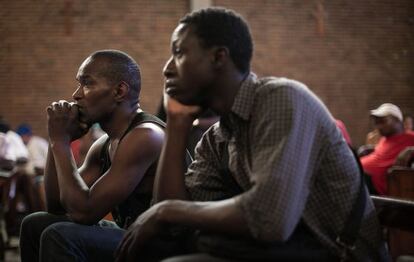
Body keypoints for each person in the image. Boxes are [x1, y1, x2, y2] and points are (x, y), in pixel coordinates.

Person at [115, 7, 388, 262]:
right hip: (283, 249)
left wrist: (166, 211)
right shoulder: (218, 137)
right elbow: (171, 227)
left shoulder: (281, 99)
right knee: (153, 247)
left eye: (179, 52)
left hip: (339, 252)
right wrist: (176, 124)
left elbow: (270, 220)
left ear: (219, 57)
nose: (167, 68)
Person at [19, 50, 165, 262]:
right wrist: (59, 140)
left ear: (119, 91)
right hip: (130, 234)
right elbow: (56, 207)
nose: (76, 94)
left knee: (61, 236)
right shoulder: (104, 144)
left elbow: (84, 212)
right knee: (34, 223)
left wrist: (59, 142)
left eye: (87, 84)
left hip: (159, 245)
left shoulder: (146, 135)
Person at [360, 103, 414, 195]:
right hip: (364, 178)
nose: (379, 127)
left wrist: (412, 149)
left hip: (375, 185)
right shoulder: (385, 138)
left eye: (383, 121)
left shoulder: (410, 137)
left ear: (398, 121)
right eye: (377, 123)